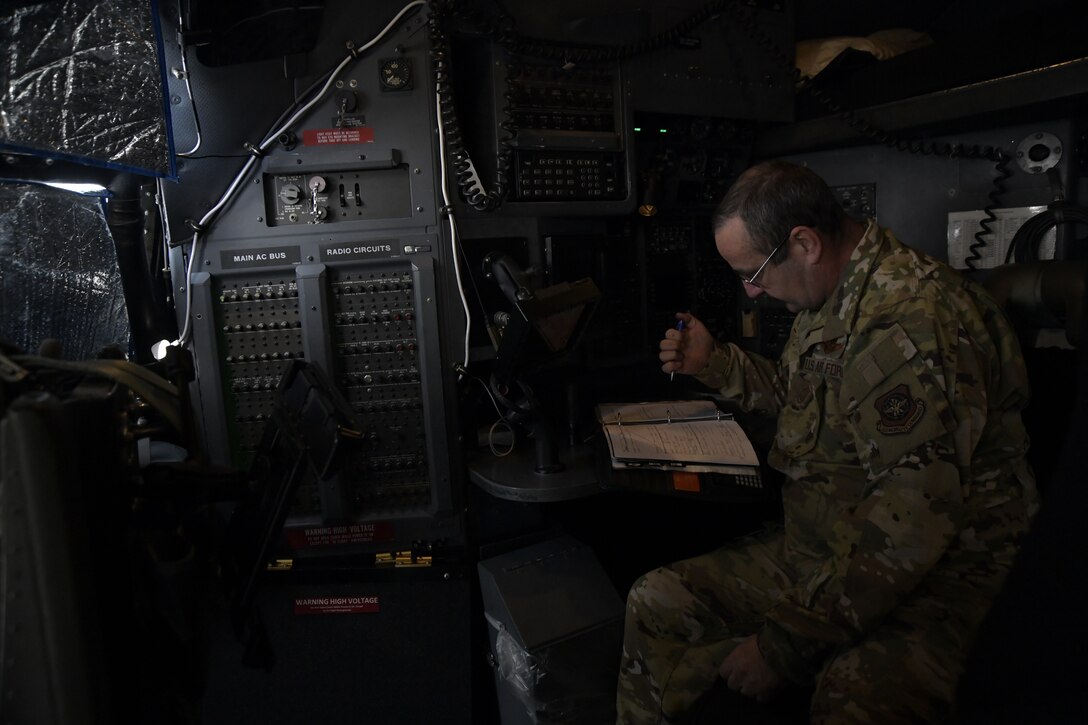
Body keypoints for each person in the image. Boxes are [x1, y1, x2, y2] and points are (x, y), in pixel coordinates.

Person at [615, 159, 1039, 724]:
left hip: (941, 577)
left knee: (853, 702)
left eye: (756, 273)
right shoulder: (827, 298)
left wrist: (782, 648)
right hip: (824, 546)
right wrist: (714, 364)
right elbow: (802, 395)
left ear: (804, 243)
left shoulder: (909, 322)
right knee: (658, 600)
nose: (752, 291)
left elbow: (912, 524)